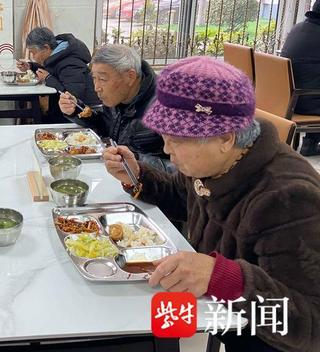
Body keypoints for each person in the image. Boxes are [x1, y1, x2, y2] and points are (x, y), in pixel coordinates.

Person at [103, 56, 320, 352]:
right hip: (216, 309)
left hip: (263, 337)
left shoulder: (288, 198)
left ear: (225, 138)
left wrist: (223, 278)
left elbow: (310, 323)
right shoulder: (213, 163)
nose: (166, 149)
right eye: (164, 137)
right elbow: (183, 199)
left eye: (176, 139)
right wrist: (138, 174)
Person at [59, 44, 169, 171]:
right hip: (115, 172)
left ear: (130, 77)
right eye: (94, 78)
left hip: (145, 180)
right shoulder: (119, 97)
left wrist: (134, 160)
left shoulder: (167, 106)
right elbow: (105, 124)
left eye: (103, 79)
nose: (96, 88)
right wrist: (77, 110)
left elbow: (182, 170)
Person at [17, 27, 99, 122]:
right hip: (66, 110)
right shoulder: (58, 54)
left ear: (46, 47)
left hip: (83, 113)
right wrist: (30, 66)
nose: (33, 57)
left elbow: (72, 96)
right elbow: (52, 70)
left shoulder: (70, 63)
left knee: (42, 119)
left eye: (33, 53)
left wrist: (48, 78)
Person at [281, 0, 320, 156]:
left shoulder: (298, 28)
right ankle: (311, 141)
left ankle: (311, 142)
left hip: (288, 99)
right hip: (305, 102)